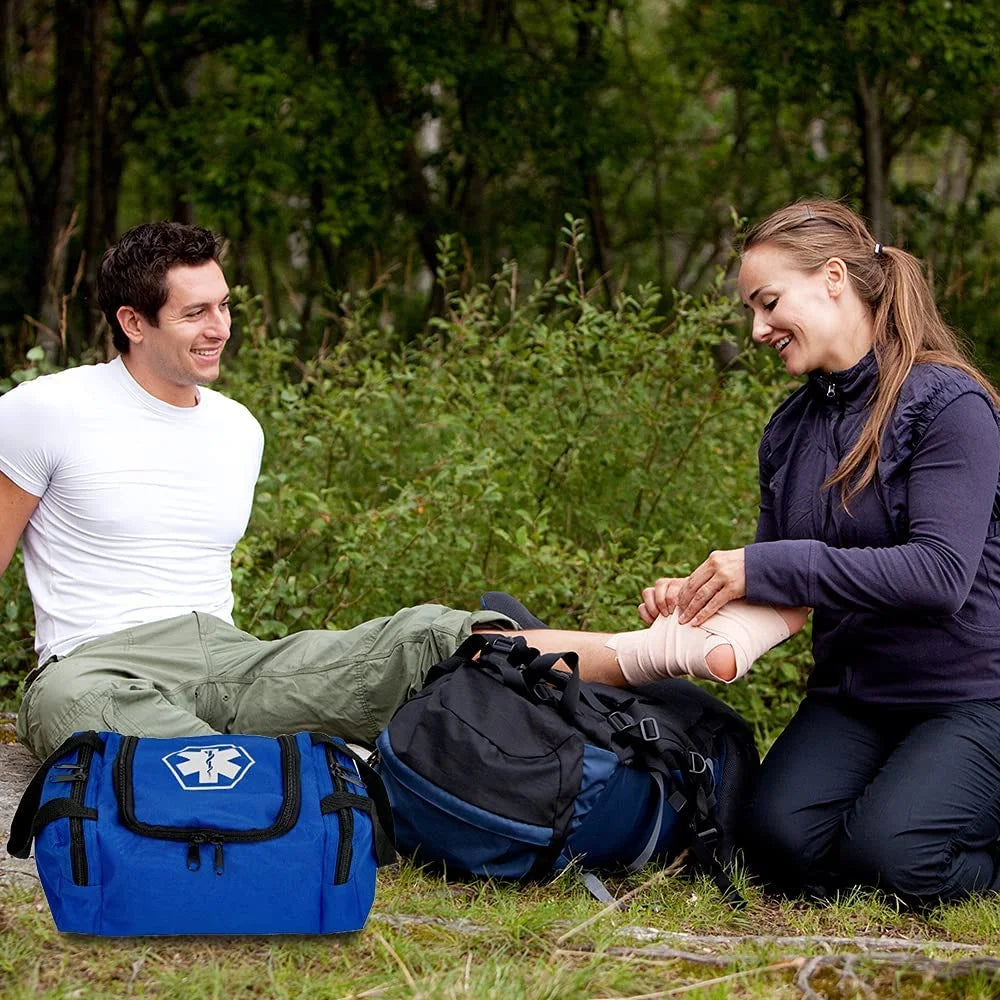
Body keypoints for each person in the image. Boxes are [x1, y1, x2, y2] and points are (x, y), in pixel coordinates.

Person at [1, 221, 794, 762]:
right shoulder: (42, 412)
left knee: (422, 635)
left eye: (228, 305)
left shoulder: (236, 427)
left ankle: (657, 652)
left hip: (228, 658)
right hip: (93, 665)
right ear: (133, 322)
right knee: (90, 716)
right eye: (196, 313)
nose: (222, 328)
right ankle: (300, 779)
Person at [641, 199, 1000, 905]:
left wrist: (759, 566)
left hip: (974, 697)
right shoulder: (790, 428)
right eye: (751, 309)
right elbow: (782, 588)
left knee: (895, 860)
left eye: (769, 303)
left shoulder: (949, 404)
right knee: (773, 846)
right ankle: (890, 823)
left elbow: (938, 576)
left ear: (834, 277)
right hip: (855, 697)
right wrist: (693, 600)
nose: (757, 328)